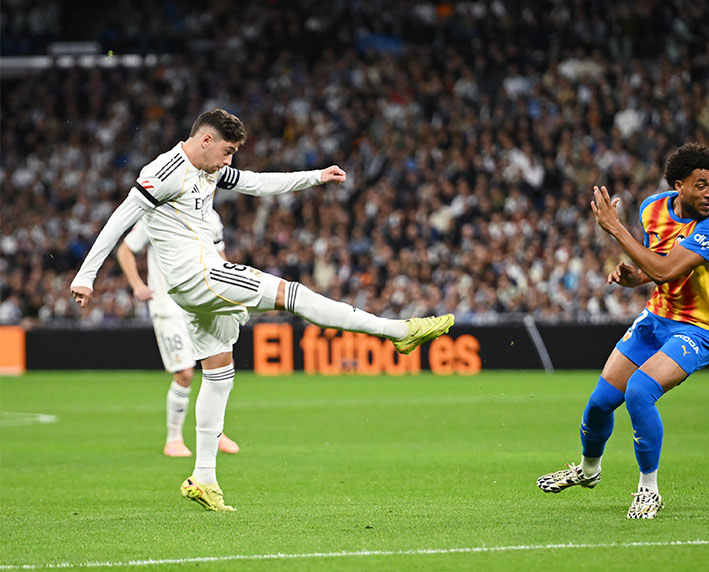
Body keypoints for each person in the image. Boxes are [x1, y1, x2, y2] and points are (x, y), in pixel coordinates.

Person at [70, 108, 454, 512]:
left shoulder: (210, 170)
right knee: (294, 295)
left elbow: (256, 183)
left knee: (218, 374)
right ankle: (398, 332)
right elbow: (120, 219)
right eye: (227, 151)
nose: (229, 160)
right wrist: (86, 275)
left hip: (190, 290)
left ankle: (203, 477)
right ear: (205, 140)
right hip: (202, 277)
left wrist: (315, 176)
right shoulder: (165, 170)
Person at [536, 143, 709, 519]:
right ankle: (588, 470)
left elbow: (664, 271)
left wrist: (614, 229)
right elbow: (656, 265)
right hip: (657, 318)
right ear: (679, 185)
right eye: (701, 185)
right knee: (598, 403)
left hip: (701, 328)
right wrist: (635, 276)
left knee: (640, 391)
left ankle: (649, 489)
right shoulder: (653, 209)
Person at [116, 211, 239, 458]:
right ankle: (173, 439)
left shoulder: (211, 216)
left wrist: (234, 286)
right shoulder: (159, 211)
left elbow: (219, 256)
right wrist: (138, 285)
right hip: (168, 306)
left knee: (221, 365)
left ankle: (215, 431)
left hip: (203, 303)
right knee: (184, 373)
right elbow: (125, 249)